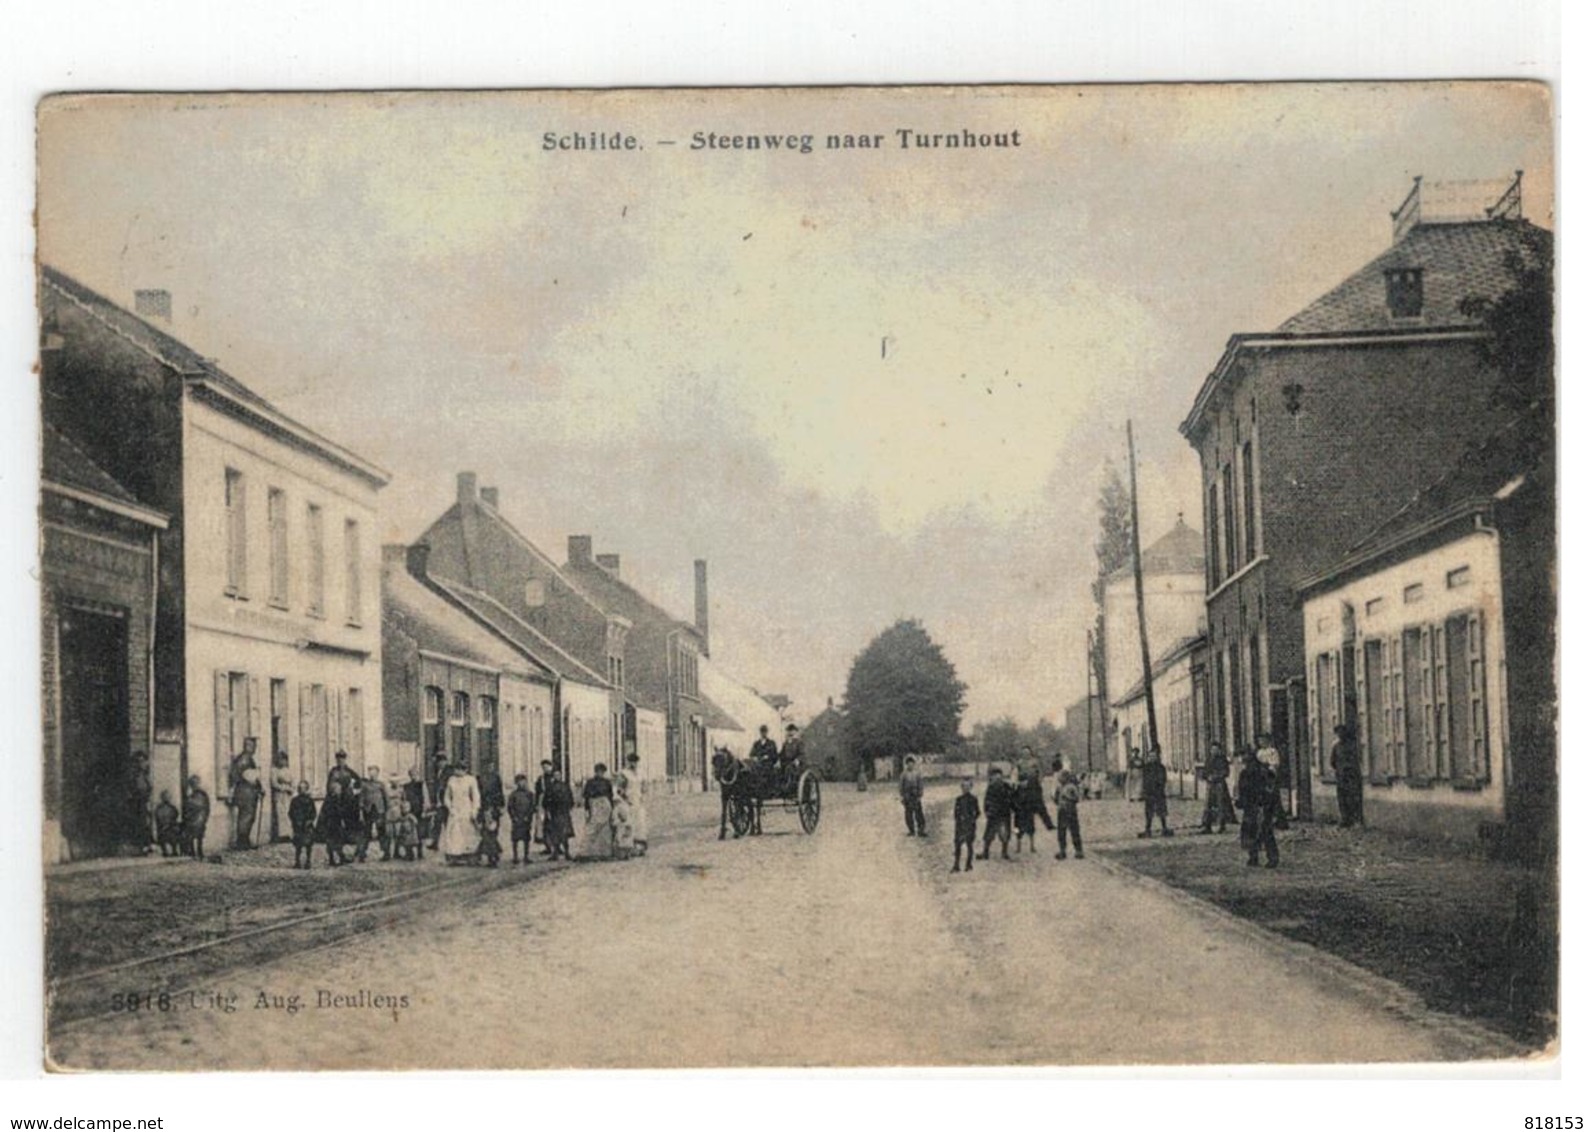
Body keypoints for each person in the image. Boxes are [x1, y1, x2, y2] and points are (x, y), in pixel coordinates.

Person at [1237, 748, 1281, 868]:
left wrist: (1266, 803)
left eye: (1245, 759)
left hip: (1261, 805)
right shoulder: (1245, 773)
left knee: (1265, 831)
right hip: (1250, 806)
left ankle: (1272, 858)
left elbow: (1270, 788)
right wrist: (1241, 801)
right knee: (1251, 832)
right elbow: (1242, 789)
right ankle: (1253, 857)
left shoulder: (1262, 771)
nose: (1243, 761)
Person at [440, 760, 481, 865]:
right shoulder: (451, 780)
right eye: (456, 769)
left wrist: (474, 810)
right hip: (455, 809)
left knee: (468, 832)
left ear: (465, 770)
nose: (457, 771)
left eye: (460, 769)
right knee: (454, 832)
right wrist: (450, 807)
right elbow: (447, 797)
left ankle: (470, 856)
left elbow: (476, 796)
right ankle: (454, 856)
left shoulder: (471, 780)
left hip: (466, 808)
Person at [228, 737, 263, 849]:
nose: (254, 749)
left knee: (248, 816)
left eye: (254, 746)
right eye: (251, 746)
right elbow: (246, 776)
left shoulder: (247, 759)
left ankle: (245, 840)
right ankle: (242, 841)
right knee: (246, 816)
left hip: (248, 791)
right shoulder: (244, 759)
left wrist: (259, 787)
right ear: (246, 746)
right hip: (245, 791)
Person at [1329, 724, 1365, 828]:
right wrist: (1339, 769)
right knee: (1342, 798)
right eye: (1338, 733)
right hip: (1341, 776)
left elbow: (1356, 759)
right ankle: (1344, 819)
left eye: (1342, 732)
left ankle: (1355, 819)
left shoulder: (1351, 746)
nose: (1340, 735)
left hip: (1351, 776)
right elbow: (1332, 761)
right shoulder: (1335, 746)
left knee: (1352, 797)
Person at [580, 764, 616, 860]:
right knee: (593, 827)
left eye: (602, 772)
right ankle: (587, 852)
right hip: (594, 805)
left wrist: (612, 809)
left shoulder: (607, 782)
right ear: (595, 772)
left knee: (605, 829)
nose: (601, 773)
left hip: (605, 805)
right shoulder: (590, 782)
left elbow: (610, 796)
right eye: (599, 771)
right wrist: (587, 809)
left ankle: (604, 852)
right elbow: (586, 797)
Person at [1198, 743, 1236, 835]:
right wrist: (1206, 776)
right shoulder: (1209, 760)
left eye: (1216, 749)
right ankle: (1207, 826)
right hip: (1210, 785)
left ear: (1219, 750)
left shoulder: (1222, 760)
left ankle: (1221, 825)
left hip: (1220, 784)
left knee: (1221, 805)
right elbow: (1204, 771)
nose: (1214, 751)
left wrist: (1216, 776)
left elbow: (1226, 772)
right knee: (1208, 805)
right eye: (1212, 749)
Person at [616, 753, 649, 856]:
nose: (633, 764)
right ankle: (628, 847)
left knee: (640, 823)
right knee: (629, 823)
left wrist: (643, 795)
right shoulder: (624, 774)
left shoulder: (640, 774)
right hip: (628, 801)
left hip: (638, 801)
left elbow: (644, 787)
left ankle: (640, 847)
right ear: (627, 762)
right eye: (631, 762)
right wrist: (625, 799)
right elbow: (619, 789)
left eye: (635, 762)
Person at [1255, 734, 1289, 829]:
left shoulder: (1273, 751)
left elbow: (1275, 764)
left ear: (1267, 741)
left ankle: (1281, 821)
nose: (1261, 743)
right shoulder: (1259, 752)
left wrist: (1268, 770)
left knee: (1274, 799)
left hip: (1271, 777)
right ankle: (1267, 820)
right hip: (1261, 778)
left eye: (1263, 740)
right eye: (1259, 741)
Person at [1137, 746, 1173, 838]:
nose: (1152, 758)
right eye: (1150, 756)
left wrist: (1159, 786)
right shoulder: (1146, 768)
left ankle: (1164, 828)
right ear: (1148, 757)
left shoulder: (1161, 768)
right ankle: (1148, 829)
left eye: (1154, 756)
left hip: (1159, 792)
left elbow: (1163, 779)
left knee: (1162, 811)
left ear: (1157, 757)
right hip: (1149, 793)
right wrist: (1144, 791)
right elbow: (1145, 780)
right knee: (1149, 812)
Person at [355, 767, 389, 862]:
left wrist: (387, 811)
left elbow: (386, 798)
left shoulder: (381, 785)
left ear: (377, 774)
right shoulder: (365, 785)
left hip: (379, 811)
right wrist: (361, 811)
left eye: (374, 774)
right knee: (366, 832)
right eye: (371, 774)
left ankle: (386, 853)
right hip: (368, 811)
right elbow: (361, 799)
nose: (372, 776)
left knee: (382, 832)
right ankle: (362, 854)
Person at [1052, 759, 1084, 860]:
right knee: (1061, 831)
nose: (1061, 779)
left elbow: (1076, 798)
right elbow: (1056, 799)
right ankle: (1062, 851)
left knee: (1074, 830)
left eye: (1063, 777)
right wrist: (1056, 798)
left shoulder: (1071, 787)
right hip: (1062, 811)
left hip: (1070, 811)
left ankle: (1078, 851)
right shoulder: (1060, 788)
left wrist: (1068, 798)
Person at [980, 767, 1013, 861]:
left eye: (999, 775)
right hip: (993, 813)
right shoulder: (990, 787)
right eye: (995, 776)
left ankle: (1004, 852)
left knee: (1005, 833)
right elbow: (986, 800)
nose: (997, 777)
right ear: (992, 777)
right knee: (989, 834)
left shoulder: (1006, 786)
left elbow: (1012, 797)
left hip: (1004, 813)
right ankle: (985, 852)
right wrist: (987, 811)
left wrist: (1011, 806)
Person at [317, 778, 352, 866]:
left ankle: (339, 858)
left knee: (336, 841)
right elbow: (332, 811)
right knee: (334, 841)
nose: (340, 791)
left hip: (335, 823)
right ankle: (334, 859)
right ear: (334, 790)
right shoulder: (332, 799)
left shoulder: (332, 798)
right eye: (338, 789)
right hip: (332, 823)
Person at [543, 767, 575, 861]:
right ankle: (555, 853)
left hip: (564, 812)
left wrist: (569, 807)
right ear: (553, 776)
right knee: (555, 834)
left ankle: (567, 853)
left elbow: (570, 798)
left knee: (565, 834)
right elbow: (545, 801)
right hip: (554, 813)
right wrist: (548, 810)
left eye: (559, 775)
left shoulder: (565, 786)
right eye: (556, 775)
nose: (558, 776)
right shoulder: (550, 788)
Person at [951, 777, 980, 873]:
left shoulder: (974, 799)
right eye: (964, 786)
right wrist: (959, 820)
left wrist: (972, 819)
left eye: (968, 786)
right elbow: (956, 813)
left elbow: (978, 812)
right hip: (960, 826)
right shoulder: (958, 799)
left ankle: (968, 864)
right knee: (957, 846)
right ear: (961, 787)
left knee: (969, 845)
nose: (965, 788)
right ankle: (956, 865)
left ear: (971, 787)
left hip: (970, 826)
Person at [507, 773, 537, 864]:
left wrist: (528, 816)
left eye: (523, 781)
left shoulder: (530, 794)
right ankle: (515, 856)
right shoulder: (513, 795)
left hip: (526, 819)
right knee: (515, 838)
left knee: (526, 838)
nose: (522, 783)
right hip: (517, 819)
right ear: (516, 783)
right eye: (519, 782)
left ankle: (526, 856)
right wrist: (513, 817)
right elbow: (510, 807)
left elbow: (532, 806)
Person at [129, 750, 153, 854]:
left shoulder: (145, 775)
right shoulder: (134, 776)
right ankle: (141, 846)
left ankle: (147, 845)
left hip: (144, 801)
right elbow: (135, 789)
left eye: (144, 761)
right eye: (139, 761)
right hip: (137, 802)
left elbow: (149, 788)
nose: (142, 764)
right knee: (140, 824)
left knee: (146, 823)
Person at [288, 781, 317, 870]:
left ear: (307, 789)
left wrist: (310, 821)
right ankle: (297, 862)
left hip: (307, 826)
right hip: (298, 825)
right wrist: (294, 821)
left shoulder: (310, 801)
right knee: (298, 845)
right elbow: (290, 812)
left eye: (304, 788)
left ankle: (308, 861)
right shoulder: (294, 800)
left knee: (308, 845)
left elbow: (313, 813)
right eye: (300, 788)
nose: (302, 790)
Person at [182, 776, 210, 858]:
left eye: (195, 783)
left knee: (196, 836)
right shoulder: (199, 795)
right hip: (198, 818)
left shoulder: (198, 795)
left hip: (198, 818)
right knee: (196, 836)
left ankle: (196, 851)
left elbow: (201, 806)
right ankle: (195, 851)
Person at [403, 767, 427, 860]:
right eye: (411, 774)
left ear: (418, 774)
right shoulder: (406, 786)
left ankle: (420, 852)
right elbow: (404, 798)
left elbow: (425, 797)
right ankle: (409, 853)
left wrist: (424, 810)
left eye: (415, 774)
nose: (413, 776)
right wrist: (405, 810)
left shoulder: (421, 784)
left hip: (419, 810)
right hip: (409, 810)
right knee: (408, 831)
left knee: (420, 832)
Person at [899, 755, 927, 837]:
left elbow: (920, 785)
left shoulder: (917, 774)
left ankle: (921, 830)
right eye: (908, 764)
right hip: (907, 796)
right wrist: (902, 796)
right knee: (908, 814)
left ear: (914, 764)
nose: (910, 765)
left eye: (911, 763)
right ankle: (911, 830)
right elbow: (901, 786)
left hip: (915, 795)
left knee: (919, 813)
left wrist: (920, 795)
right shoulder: (903, 774)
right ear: (906, 764)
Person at [534, 759, 557, 855]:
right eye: (543, 767)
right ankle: (547, 846)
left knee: (555, 825)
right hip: (543, 804)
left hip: (554, 804)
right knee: (543, 826)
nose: (545, 769)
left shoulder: (555, 777)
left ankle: (557, 847)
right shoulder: (541, 779)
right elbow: (538, 792)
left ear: (551, 767)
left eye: (547, 766)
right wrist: (536, 805)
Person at [270, 750, 294, 843]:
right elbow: (274, 783)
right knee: (281, 814)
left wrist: (290, 789)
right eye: (280, 760)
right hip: (279, 795)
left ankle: (289, 834)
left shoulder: (288, 770)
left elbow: (292, 781)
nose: (282, 762)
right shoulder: (274, 770)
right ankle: (281, 835)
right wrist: (283, 788)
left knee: (288, 813)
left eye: (284, 760)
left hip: (288, 795)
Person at [154, 789, 181, 857]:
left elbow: (175, 816)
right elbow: (158, 818)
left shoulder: (172, 808)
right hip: (163, 828)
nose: (167, 798)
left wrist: (171, 823)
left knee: (175, 832)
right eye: (165, 797)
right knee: (163, 834)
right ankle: (165, 851)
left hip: (171, 827)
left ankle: (174, 850)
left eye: (168, 797)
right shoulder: (159, 808)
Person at [613, 787, 635, 861]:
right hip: (628, 822)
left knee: (621, 837)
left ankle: (622, 854)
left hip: (621, 824)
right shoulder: (626, 805)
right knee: (627, 837)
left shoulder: (618, 806)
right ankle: (627, 853)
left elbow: (617, 816)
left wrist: (615, 821)